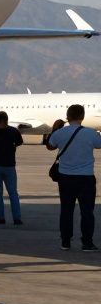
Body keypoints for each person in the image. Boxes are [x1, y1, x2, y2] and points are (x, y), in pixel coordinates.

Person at [44, 104, 99, 252]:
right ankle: (87, 243)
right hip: (86, 178)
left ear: (68, 116)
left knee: (66, 211)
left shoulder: (60, 133)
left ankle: (66, 242)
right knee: (87, 212)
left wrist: (55, 130)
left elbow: (50, 146)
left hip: (66, 178)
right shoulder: (91, 133)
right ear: (82, 116)